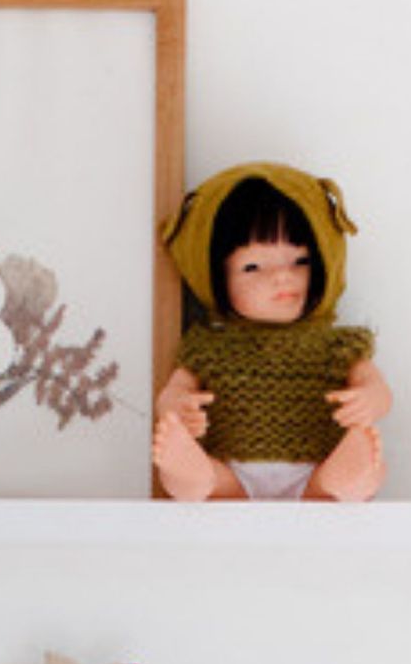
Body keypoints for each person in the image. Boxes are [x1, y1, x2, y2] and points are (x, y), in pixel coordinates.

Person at [153, 164, 390, 502]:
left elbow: (378, 388)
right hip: (234, 474)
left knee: (368, 474)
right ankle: (193, 476)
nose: (282, 277)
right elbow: (173, 390)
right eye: (253, 267)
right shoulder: (208, 347)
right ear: (215, 278)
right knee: (204, 483)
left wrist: (369, 401)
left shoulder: (338, 346)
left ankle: (341, 481)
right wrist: (176, 408)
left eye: (300, 261)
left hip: (313, 472)